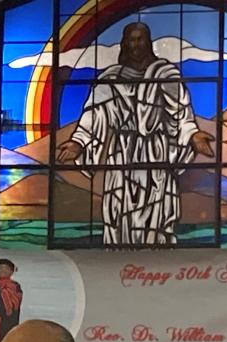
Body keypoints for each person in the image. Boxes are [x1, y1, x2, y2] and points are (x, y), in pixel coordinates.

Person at [57, 22, 215, 246]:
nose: (136, 44)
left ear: (148, 43)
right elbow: (94, 114)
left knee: (157, 208)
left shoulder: (166, 75)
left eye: (140, 39)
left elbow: (181, 111)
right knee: (119, 207)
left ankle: (157, 254)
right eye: (131, 39)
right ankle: (119, 255)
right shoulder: (110, 79)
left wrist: (192, 135)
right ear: (124, 43)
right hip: (122, 153)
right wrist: (79, 141)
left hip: (156, 152)